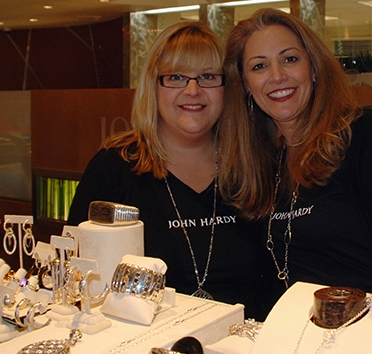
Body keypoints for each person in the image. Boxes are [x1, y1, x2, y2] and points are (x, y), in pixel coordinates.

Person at [68, 21, 277, 320]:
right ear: (154, 86)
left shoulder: (253, 165)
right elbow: (79, 281)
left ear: (226, 88)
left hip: (245, 353)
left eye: (207, 77)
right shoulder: (114, 168)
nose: (193, 90)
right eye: (177, 77)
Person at [218, 8, 372, 295]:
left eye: (290, 59)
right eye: (259, 66)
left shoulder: (364, 134)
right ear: (246, 85)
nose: (277, 76)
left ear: (314, 67)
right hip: (294, 333)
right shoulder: (264, 163)